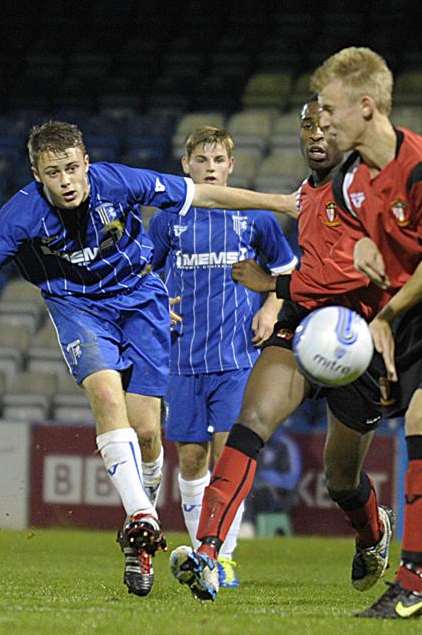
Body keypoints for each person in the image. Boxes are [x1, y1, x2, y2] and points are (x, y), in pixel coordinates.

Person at [0, 120, 298, 597]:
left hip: (140, 301)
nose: (67, 181)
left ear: (87, 163)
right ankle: (141, 517)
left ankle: (148, 499)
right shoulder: (18, 216)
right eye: (54, 173)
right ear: (37, 175)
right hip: (78, 308)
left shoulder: (118, 182)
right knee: (104, 391)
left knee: (146, 434)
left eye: (73, 168)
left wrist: (281, 203)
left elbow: (205, 196)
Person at [169, 97, 395, 602]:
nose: (317, 135)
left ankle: (372, 532)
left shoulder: (363, 188)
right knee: (250, 424)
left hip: (356, 339)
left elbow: (357, 274)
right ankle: (210, 553)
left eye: (327, 127)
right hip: (301, 325)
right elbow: (217, 199)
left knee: (342, 481)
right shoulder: (306, 192)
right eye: (309, 126)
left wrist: (273, 285)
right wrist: (284, 295)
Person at [148, 126, 297, 587]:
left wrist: (272, 307)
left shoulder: (254, 218)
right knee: (192, 460)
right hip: (182, 359)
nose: (210, 169)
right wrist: (159, 303)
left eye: (218, 161)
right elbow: (140, 274)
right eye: (201, 161)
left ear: (231, 167)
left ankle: (222, 556)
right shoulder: (168, 220)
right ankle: (200, 556)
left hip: (236, 360)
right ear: (185, 166)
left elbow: (288, 268)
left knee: (227, 457)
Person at [309, 46, 422, 619]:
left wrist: (384, 314)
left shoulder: (420, 166)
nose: (322, 118)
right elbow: (356, 232)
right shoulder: (349, 179)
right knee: (361, 464)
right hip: (393, 316)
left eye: (330, 107)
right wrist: (361, 246)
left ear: (367, 106)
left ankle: (414, 581)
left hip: (406, 311)